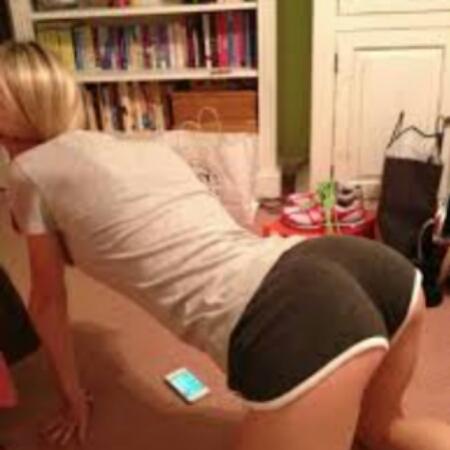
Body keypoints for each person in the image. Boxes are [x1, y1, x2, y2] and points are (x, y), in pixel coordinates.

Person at [1, 40, 450, 450]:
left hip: (295, 314)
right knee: (382, 432)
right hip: (358, 266)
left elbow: (47, 301)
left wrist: (72, 397)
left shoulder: (28, 171)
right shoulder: (140, 146)